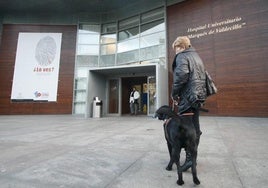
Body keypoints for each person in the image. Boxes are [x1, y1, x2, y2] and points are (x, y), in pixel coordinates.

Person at [171, 36, 207, 171]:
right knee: (195, 129)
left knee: (186, 129)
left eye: (177, 48)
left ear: (182, 47)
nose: (176, 51)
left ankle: (189, 160)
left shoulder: (182, 56)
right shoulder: (196, 57)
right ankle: (193, 159)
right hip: (197, 97)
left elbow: (181, 76)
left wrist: (174, 93)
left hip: (187, 98)